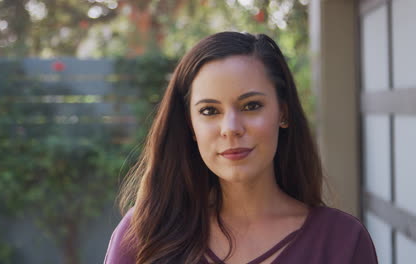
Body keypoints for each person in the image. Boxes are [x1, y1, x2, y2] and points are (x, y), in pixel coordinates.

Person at [104, 32, 378, 264]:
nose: (231, 127)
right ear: (190, 125)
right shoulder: (143, 236)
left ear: (283, 112)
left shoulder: (342, 241)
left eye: (251, 106)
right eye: (210, 110)